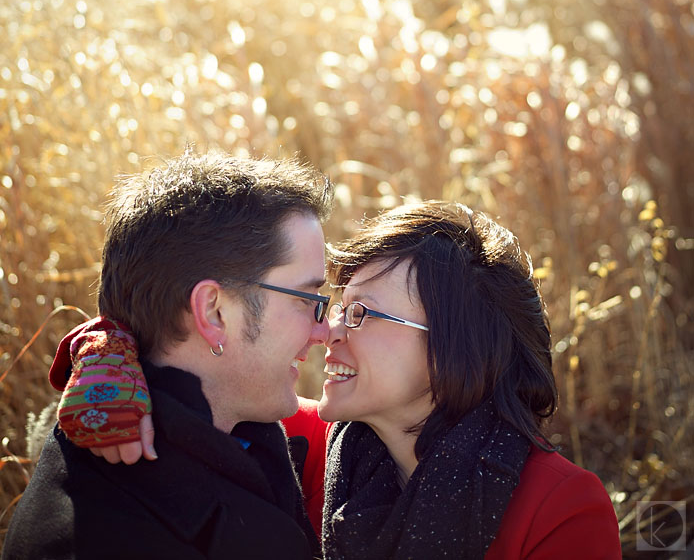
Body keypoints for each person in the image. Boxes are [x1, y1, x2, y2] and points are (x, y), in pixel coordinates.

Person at [2, 149, 333, 560]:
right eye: (307, 299)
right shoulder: (105, 538)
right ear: (213, 312)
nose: (325, 330)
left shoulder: (233, 427)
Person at [318, 200, 622, 559]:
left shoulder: (559, 509)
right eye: (340, 306)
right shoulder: (307, 452)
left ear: (456, 346)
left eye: (361, 312)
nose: (327, 331)